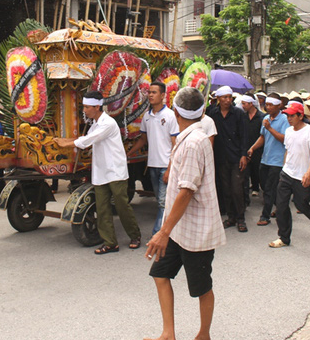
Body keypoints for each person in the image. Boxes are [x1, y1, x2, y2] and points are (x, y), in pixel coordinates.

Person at [144, 87, 226, 340]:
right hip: (179, 228)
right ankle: (169, 333)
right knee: (160, 274)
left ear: (176, 110)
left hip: (195, 231)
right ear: (202, 112)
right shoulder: (188, 136)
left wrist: (162, 232)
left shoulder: (193, 141)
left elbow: (187, 191)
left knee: (201, 287)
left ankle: (204, 334)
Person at [54, 91, 141, 254]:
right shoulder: (95, 124)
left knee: (122, 206)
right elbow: (84, 138)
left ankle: (135, 235)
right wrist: (61, 141)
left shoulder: (107, 123)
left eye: (87, 107)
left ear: (96, 107)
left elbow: (86, 141)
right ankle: (110, 243)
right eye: (84, 107)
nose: (84, 110)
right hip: (100, 171)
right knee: (102, 208)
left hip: (115, 171)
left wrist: (64, 144)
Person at [269, 102, 310, 248]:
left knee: (302, 206)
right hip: (287, 173)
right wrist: (284, 168)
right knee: (282, 206)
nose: (289, 118)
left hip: (302, 175)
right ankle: (284, 238)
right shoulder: (289, 131)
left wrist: (309, 173)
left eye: (292, 115)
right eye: (287, 115)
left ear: (300, 116)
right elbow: (288, 151)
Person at [127, 82, 179, 236]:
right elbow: (143, 139)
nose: (150, 95)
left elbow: (175, 145)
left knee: (163, 202)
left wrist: (170, 168)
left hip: (165, 165)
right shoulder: (147, 116)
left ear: (163, 95)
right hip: (153, 165)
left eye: (154, 92)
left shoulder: (170, 116)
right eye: (149, 92)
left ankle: (157, 233)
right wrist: (128, 154)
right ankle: (171, 229)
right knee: (161, 201)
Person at [207, 85, 249, 233]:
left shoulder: (238, 113)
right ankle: (230, 217)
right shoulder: (212, 113)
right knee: (225, 188)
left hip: (236, 156)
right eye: (224, 97)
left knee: (237, 188)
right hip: (220, 156)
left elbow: (244, 135)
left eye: (230, 97)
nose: (227, 100)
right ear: (218, 99)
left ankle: (241, 219)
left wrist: (244, 155)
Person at [247, 93, 289, 226]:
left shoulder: (284, 120)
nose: (268, 107)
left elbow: (284, 139)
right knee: (265, 186)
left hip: (277, 160)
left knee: (269, 189)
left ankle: (265, 216)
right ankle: (281, 206)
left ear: (279, 105)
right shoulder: (266, 118)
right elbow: (263, 137)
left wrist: (270, 128)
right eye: (267, 105)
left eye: (271, 105)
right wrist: (252, 148)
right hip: (265, 159)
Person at [241, 93, 265, 199]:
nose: (243, 106)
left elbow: (263, 135)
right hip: (245, 146)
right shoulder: (243, 117)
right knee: (246, 171)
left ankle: (258, 187)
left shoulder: (261, 117)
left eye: (244, 104)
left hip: (258, 148)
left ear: (251, 104)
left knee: (257, 169)